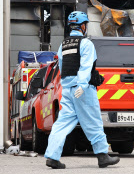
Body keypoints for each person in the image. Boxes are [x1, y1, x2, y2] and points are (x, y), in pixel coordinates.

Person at [44, 11, 119, 169]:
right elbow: (85, 67)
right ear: (83, 26)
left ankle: (52, 156)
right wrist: (82, 86)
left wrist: (69, 86)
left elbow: (62, 68)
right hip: (82, 90)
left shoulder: (64, 44)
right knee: (93, 122)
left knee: (62, 124)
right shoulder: (86, 44)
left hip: (67, 90)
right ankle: (102, 156)